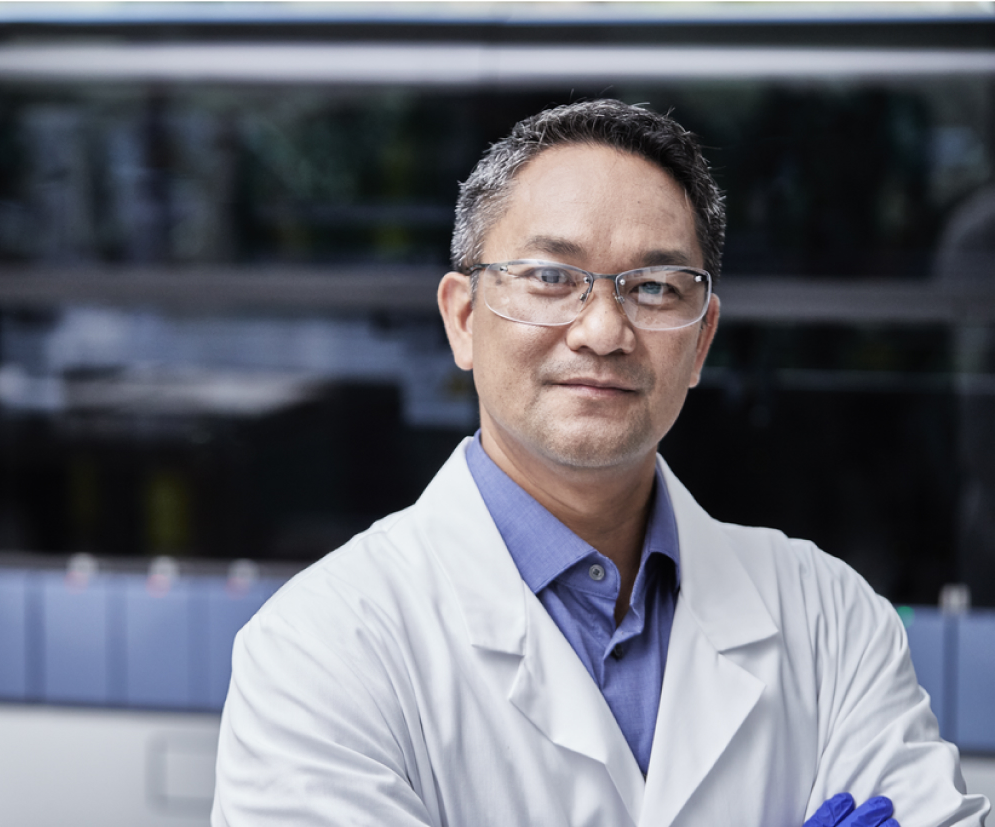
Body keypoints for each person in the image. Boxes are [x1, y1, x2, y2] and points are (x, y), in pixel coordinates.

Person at [211, 100, 989, 826]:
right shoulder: (318, 650)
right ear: (463, 318)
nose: (604, 329)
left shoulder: (829, 617)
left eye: (652, 286)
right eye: (553, 277)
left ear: (701, 340)